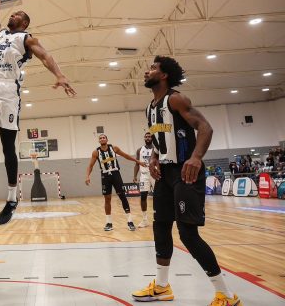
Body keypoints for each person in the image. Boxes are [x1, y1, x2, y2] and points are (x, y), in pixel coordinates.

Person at [132, 56, 242, 306]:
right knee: (160, 226)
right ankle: (161, 287)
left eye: (152, 69)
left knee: (188, 234)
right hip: (165, 174)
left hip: (186, 172)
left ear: (164, 75)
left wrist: (196, 157)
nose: (146, 72)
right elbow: (162, 138)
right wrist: (154, 159)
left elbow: (205, 127)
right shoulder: (150, 107)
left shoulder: (176, 99)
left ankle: (226, 295)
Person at [0, 0, 76, 225]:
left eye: (17, 14)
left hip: (8, 92)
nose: (12, 14)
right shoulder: (0, 34)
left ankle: (11, 198)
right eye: (13, 12)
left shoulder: (26, 38)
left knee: (8, 147)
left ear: (24, 23)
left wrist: (60, 74)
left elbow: (45, 55)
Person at [85, 134, 144, 231]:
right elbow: (90, 166)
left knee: (122, 197)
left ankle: (130, 221)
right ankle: (109, 223)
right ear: (99, 141)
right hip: (105, 176)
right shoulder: (96, 152)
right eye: (100, 138)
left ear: (107, 139)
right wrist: (87, 176)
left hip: (116, 174)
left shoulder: (114, 148)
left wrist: (138, 161)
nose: (102, 139)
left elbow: (126, 156)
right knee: (107, 199)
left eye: (104, 137)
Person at [134, 132, 154, 228]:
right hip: (144, 175)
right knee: (143, 196)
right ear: (144, 138)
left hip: (154, 174)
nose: (147, 138)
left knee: (158, 195)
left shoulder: (156, 149)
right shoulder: (139, 150)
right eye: (146, 136)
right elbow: (137, 163)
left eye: (149, 136)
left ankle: (158, 216)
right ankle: (145, 219)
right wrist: (135, 176)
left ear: (152, 138)